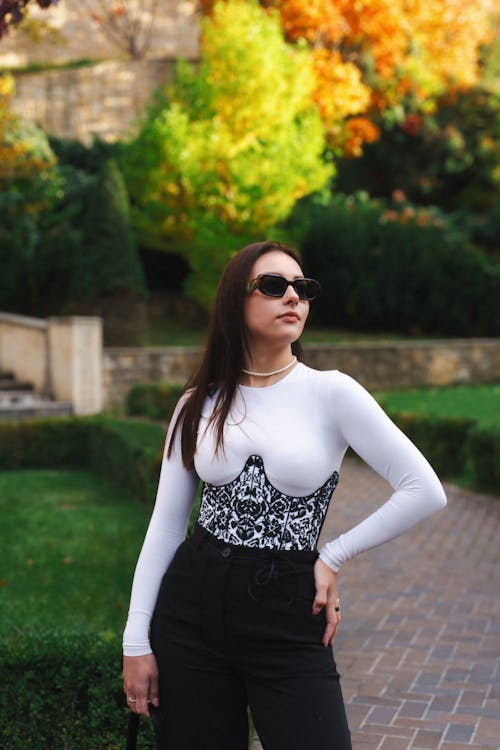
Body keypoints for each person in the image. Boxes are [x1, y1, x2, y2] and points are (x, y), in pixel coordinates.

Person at [122, 240, 447, 750]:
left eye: (303, 288)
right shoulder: (196, 403)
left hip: (287, 610)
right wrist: (135, 642)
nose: (292, 297)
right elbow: (165, 527)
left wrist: (333, 556)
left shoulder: (331, 392)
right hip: (191, 611)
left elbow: (424, 489)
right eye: (274, 286)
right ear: (236, 300)